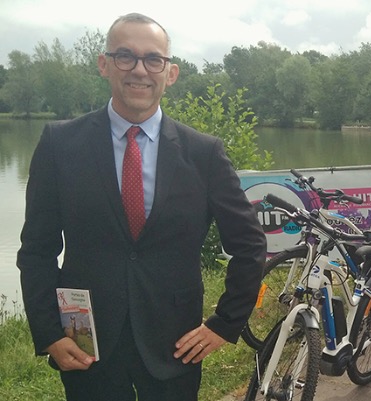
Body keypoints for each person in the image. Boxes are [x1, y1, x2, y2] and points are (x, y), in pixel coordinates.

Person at [17, 13, 267, 401]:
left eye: (153, 59)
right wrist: (49, 332)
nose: (139, 70)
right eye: (125, 56)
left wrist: (225, 324)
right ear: (104, 64)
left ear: (170, 73)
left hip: (175, 343)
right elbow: (37, 249)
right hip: (86, 344)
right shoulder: (59, 144)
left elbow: (249, 245)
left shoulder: (203, 153)